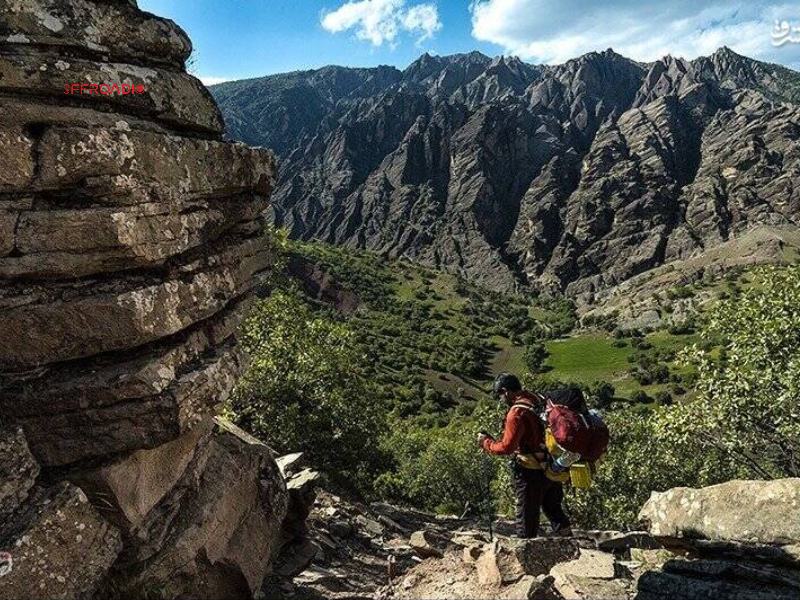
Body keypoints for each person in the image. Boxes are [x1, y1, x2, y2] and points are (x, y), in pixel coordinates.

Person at [478, 372, 572, 538]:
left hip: (530, 471)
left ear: (506, 391)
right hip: (552, 466)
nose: (501, 399)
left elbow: (506, 447)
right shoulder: (537, 399)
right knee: (554, 509)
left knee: (527, 515)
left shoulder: (517, 413)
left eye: (500, 394)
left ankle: (525, 555)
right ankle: (571, 546)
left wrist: (486, 443)